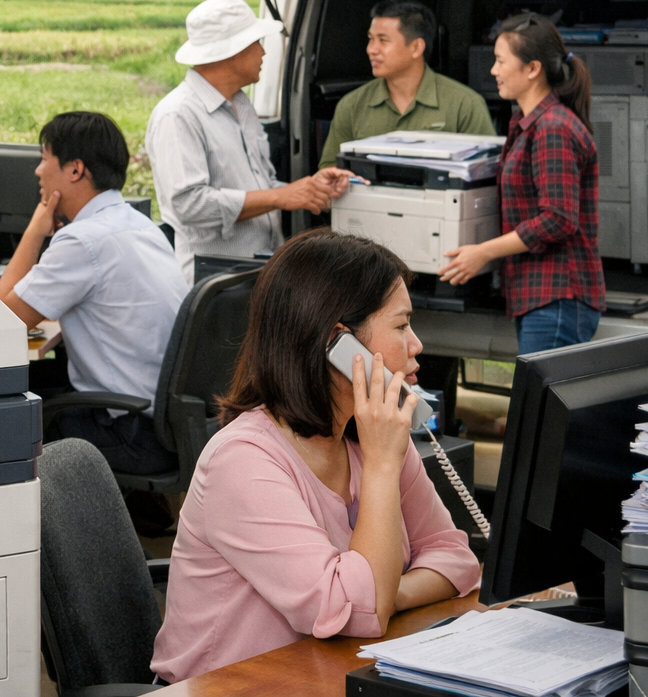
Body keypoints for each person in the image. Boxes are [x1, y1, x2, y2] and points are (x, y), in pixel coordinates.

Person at [151, 230, 480, 681]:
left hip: (326, 675)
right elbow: (346, 611)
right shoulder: (242, 461)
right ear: (338, 345)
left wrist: (389, 594)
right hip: (229, 690)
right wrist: (384, 467)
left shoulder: (370, 436)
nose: (416, 344)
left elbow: (456, 558)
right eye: (401, 326)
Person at [0, 112, 187, 476]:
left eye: (44, 158)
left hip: (130, 435)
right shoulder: (140, 225)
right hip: (170, 427)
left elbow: (2, 319)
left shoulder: (82, 240)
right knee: (47, 378)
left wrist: (37, 227)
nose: (37, 170)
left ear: (75, 170)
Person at [146, 0, 352, 282]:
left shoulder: (242, 106)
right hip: (216, 279)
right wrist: (281, 196)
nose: (263, 53)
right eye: (257, 43)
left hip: (260, 269)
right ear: (233, 51)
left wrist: (308, 190)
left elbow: (260, 186)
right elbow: (188, 205)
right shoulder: (178, 114)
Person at [438, 15, 604, 353]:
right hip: (537, 296)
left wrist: (483, 252)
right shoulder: (527, 124)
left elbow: (558, 218)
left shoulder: (552, 127)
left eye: (500, 61)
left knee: (542, 406)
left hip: (558, 297)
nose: (493, 71)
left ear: (532, 69)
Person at [318, 0, 495, 169]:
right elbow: (330, 168)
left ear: (416, 47)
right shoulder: (351, 105)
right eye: (371, 39)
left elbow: (485, 170)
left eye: (383, 40)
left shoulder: (464, 103)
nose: (371, 49)